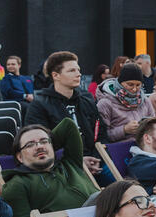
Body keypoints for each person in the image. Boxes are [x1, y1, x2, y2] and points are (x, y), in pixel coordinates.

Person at [1, 118, 98, 217]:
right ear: (19, 157)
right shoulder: (16, 184)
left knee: (118, 191)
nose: (39, 146)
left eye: (44, 141)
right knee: (103, 198)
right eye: (30, 145)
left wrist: (46, 147)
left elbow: (68, 125)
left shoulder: (70, 163)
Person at [26, 51, 107, 179]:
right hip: (61, 168)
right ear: (56, 75)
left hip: (95, 163)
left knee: (125, 188)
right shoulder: (39, 105)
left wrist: (95, 158)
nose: (78, 74)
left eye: (78, 70)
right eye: (72, 71)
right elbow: (40, 144)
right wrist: (77, 160)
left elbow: (101, 132)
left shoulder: (86, 100)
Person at [96, 62, 155, 142]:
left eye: (138, 85)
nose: (134, 89)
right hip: (118, 149)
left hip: (145, 145)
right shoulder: (105, 103)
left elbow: (154, 125)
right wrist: (124, 130)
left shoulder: (145, 100)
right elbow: (102, 136)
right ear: (120, 83)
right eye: (130, 84)